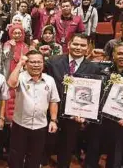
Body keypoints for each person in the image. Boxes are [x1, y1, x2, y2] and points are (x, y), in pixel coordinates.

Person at [44, 33, 102, 168]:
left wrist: (86, 115)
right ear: (69, 45)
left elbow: (94, 95)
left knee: (67, 146)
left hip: (75, 115)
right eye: (75, 44)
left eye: (82, 45)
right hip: (52, 110)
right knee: (47, 143)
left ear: (88, 49)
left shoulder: (94, 69)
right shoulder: (53, 61)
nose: (78, 47)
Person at [85, 42, 123, 168]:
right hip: (98, 120)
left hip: (122, 121)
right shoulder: (101, 69)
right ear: (113, 55)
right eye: (120, 53)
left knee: (115, 156)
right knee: (92, 151)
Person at [7, 50, 60, 168]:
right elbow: (11, 83)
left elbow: (54, 101)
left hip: (40, 126)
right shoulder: (20, 77)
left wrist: (53, 120)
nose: (36, 65)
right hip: (20, 125)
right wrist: (19, 64)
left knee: (35, 157)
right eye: (32, 62)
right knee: (16, 156)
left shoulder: (49, 80)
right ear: (26, 63)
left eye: (39, 62)